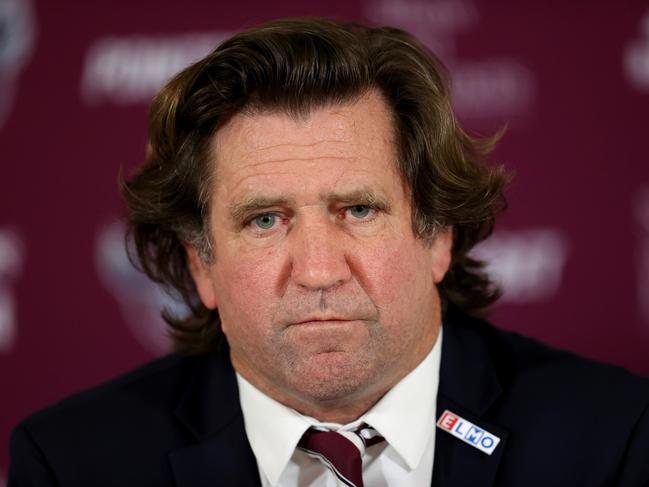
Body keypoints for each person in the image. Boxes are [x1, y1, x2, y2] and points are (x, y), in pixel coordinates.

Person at [8, 17, 649, 487]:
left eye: (359, 210)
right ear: (201, 264)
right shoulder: (73, 464)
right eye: (265, 220)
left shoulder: (614, 439)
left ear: (438, 235)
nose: (317, 271)